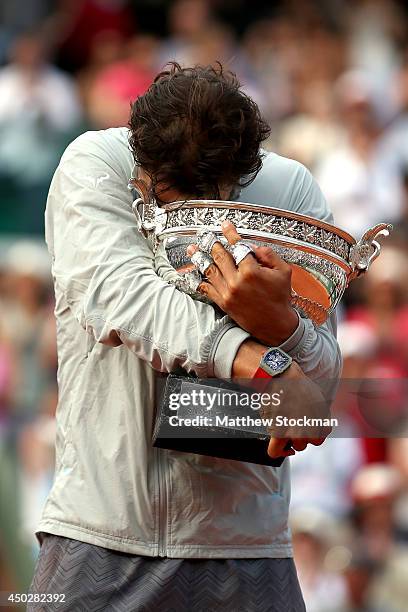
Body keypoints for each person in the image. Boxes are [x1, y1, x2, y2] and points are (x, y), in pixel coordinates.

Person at [28, 64, 341, 611]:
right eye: (161, 192)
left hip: (250, 547)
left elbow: (316, 398)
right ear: (140, 151)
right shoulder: (97, 163)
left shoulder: (289, 188)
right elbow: (122, 298)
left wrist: (284, 327)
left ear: (237, 178)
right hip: (103, 533)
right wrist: (261, 360)